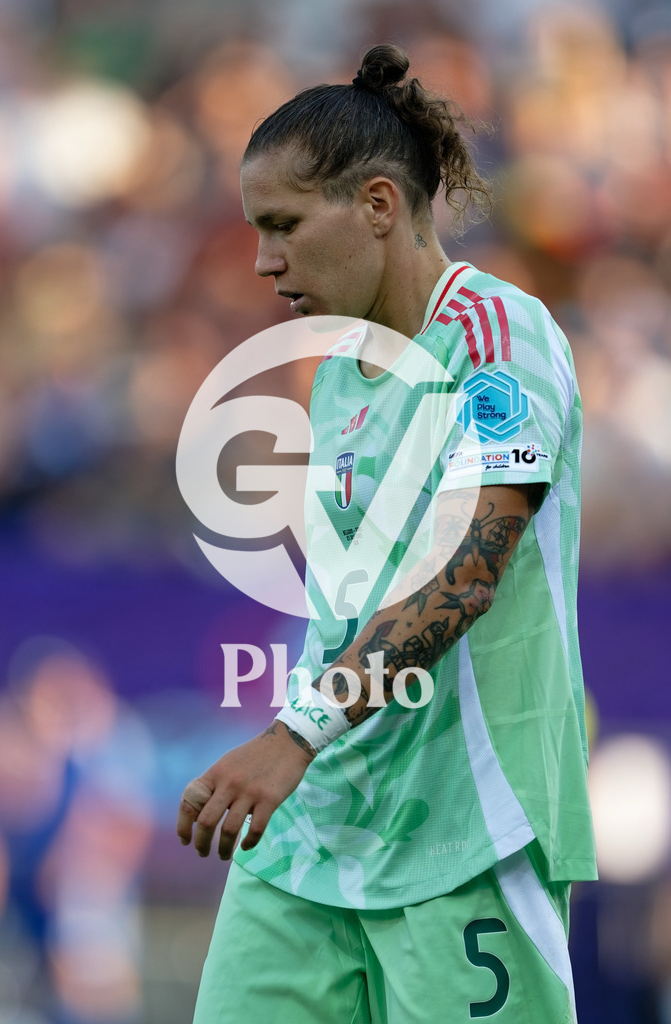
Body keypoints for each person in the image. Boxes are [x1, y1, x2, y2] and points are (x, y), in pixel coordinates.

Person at [177, 43, 597, 1024]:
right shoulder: (336, 372)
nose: (263, 261)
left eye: (282, 225)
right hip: (314, 830)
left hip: (467, 832)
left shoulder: (497, 339)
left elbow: (467, 572)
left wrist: (293, 734)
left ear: (375, 204)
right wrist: (297, 741)